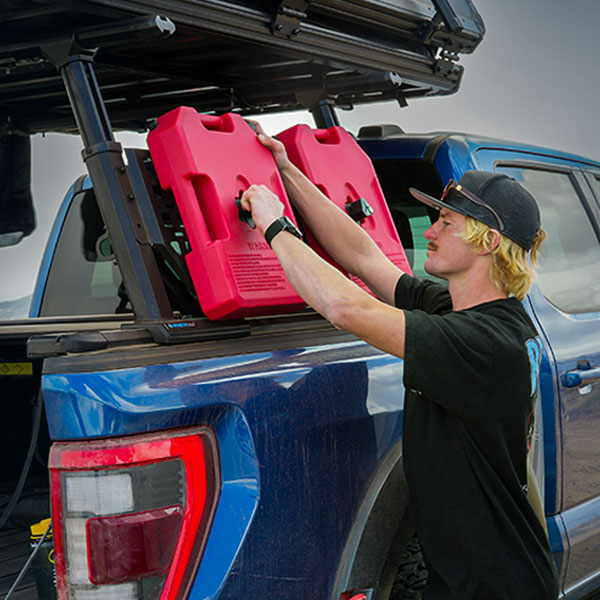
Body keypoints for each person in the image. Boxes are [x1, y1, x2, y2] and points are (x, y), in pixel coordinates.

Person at [240, 122, 559, 600]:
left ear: (488, 243)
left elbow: (346, 308)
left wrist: (273, 225)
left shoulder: (484, 343)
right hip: (482, 579)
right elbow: (364, 257)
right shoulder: (465, 311)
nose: (429, 231)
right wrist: (287, 173)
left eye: (446, 223)